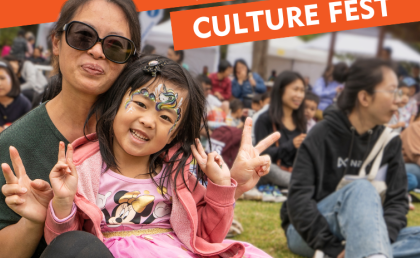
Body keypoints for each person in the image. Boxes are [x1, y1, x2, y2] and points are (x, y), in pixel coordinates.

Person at [0, 0, 274, 258]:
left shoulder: (164, 153)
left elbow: (198, 226)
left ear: (130, 62)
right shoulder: (21, 143)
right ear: (57, 42)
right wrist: (37, 218)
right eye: (83, 36)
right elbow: (4, 250)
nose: (96, 51)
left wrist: (230, 186)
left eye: (115, 46)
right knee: (78, 247)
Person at [14, 55, 277, 258]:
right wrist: (61, 201)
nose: (149, 121)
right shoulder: (82, 168)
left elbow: (209, 234)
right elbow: (66, 245)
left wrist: (221, 187)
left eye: (165, 117)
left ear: (175, 133)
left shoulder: (178, 171)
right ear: (117, 102)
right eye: (140, 104)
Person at [282, 58, 420, 258]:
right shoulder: (322, 134)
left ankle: (366, 252)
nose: (398, 99)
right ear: (364, 98)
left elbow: (397, 203)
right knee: (361, 188)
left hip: (368, 229)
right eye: (391, 91)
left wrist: (378, 239)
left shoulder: (390, 142)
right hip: (309, 233)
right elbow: (299, 201)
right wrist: (333, 248)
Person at [255, 71, 306, 189]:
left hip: (294, 173)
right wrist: (291, 145)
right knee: (269, 168)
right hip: (271, 174)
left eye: (302, 91)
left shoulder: (301, 122)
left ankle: (298, 183)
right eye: (295, 89)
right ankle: (298, 184)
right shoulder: (265, 120)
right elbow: (260, 156)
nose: (299, 95)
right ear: (280, 90)